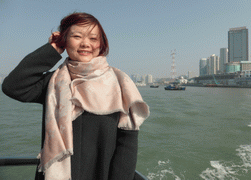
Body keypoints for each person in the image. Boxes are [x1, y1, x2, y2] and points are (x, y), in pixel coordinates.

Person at [2, 12, 150, 180]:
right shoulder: (53, 82)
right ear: (65, 40)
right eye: (77, 36)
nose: (85, 43)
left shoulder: (120, 83)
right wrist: (53, 49)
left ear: (101, 44)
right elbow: (13, 86)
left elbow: (127, 144)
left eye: (93, 39)